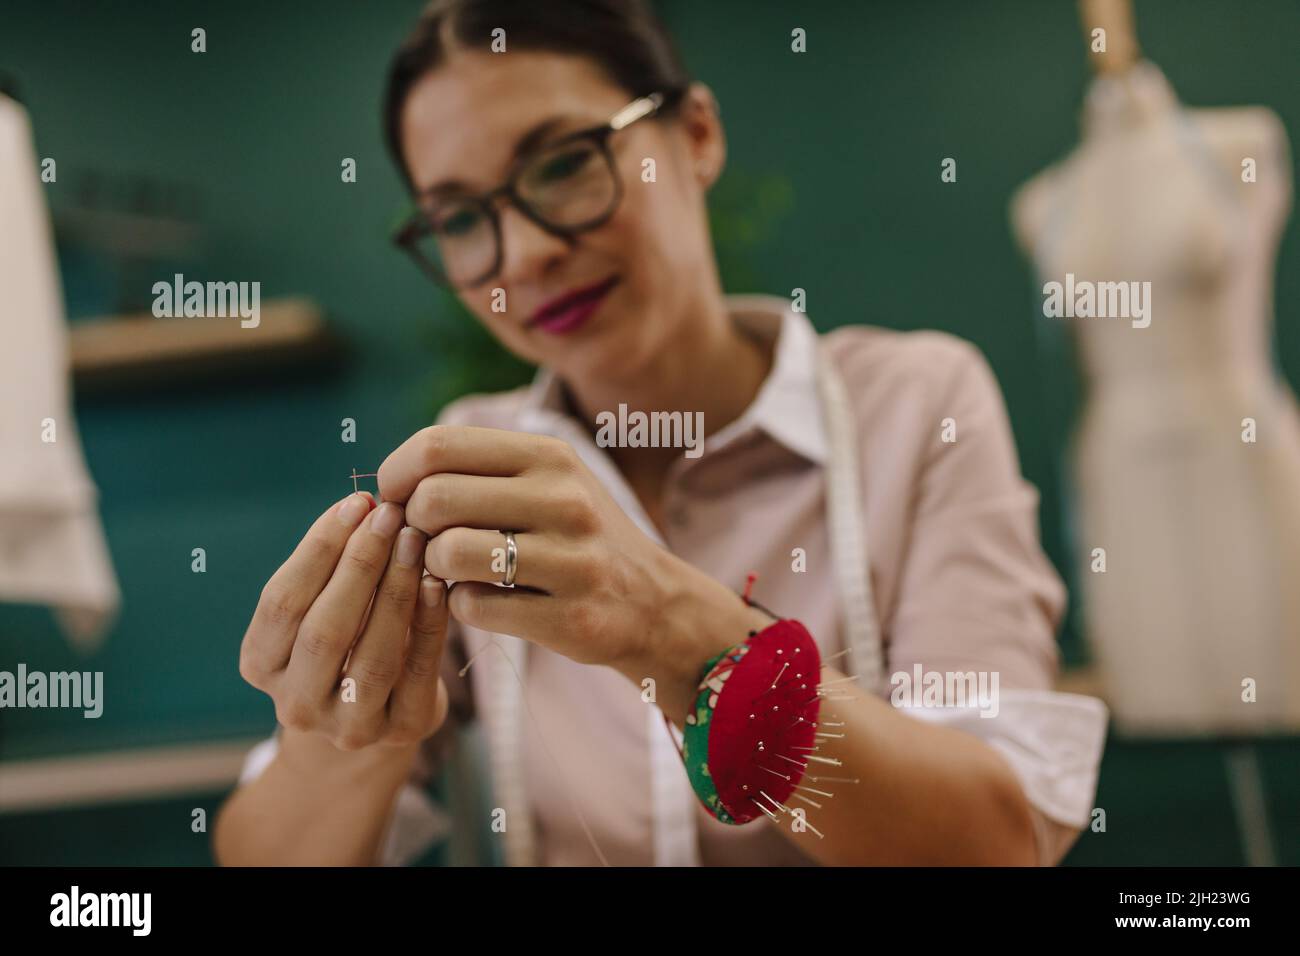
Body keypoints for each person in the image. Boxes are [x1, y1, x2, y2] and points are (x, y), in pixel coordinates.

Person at [213, 0, 1106, 867]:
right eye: (458, 219)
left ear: (697, 135)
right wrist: (350, 729)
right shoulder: (470, 480)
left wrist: (678, 633)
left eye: (563, 164)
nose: (523, 255)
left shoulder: (915, 409)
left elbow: (996, 845)